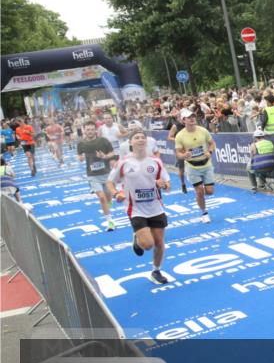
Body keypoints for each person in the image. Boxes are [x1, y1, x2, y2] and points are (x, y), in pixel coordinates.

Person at [108, 130, 170, 285]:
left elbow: (167, 184)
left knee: (159, 244)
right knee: (148, 245)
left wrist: (164, 184)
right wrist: (116, 194)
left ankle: (156, 271)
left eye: (143, 137)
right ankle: (137, 239)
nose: (141, 140)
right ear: (130, 143)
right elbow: (110, 182)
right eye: (137, 138)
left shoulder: (156, 161)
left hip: (156, 207)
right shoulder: (123, 162)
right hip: (135, 209)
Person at [173, 108, 216, 223]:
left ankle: (200, 198)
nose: (192, 119)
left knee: (210, 191)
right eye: (189, 117)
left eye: (193, 116)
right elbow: (178, 153)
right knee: (199, 191)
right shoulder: (180, 136)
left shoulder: (203, 130)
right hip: (192, 166)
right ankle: (204, 212)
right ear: (184, 120)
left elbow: (212, 144)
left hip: (206, 164)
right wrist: (184, 155)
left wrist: (210, 152)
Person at [77, 120, 118, 231]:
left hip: (106, 174)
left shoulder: (103, 141)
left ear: (96, 130)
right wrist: (80, 158)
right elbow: (79, 156)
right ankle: (110, 221)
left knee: (108, 197)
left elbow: (112, 153)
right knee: (101, 198)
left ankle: (108, 209)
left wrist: (104, 156)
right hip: (92, 175)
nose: (90, 131)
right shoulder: (81, 143)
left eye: (92, 129)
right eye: (87, 129)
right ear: (84, 131)